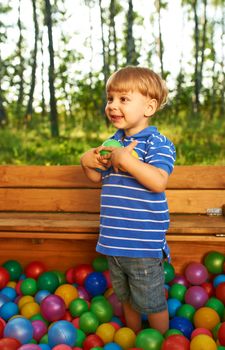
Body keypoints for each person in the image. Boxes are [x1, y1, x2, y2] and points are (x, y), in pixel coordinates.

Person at [80, 66, 176, 334]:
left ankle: (161, 339)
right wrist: (86, 163)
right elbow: (98, 179)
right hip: (114, 241)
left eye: (123, 99)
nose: (112, 106)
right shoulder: (112, 142)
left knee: (152, 302)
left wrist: (127, 161)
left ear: (149, 107)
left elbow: (158, 181)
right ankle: (132, 336)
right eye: (110, 99)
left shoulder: (157, 143)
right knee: (126, 298)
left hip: (142, 243)